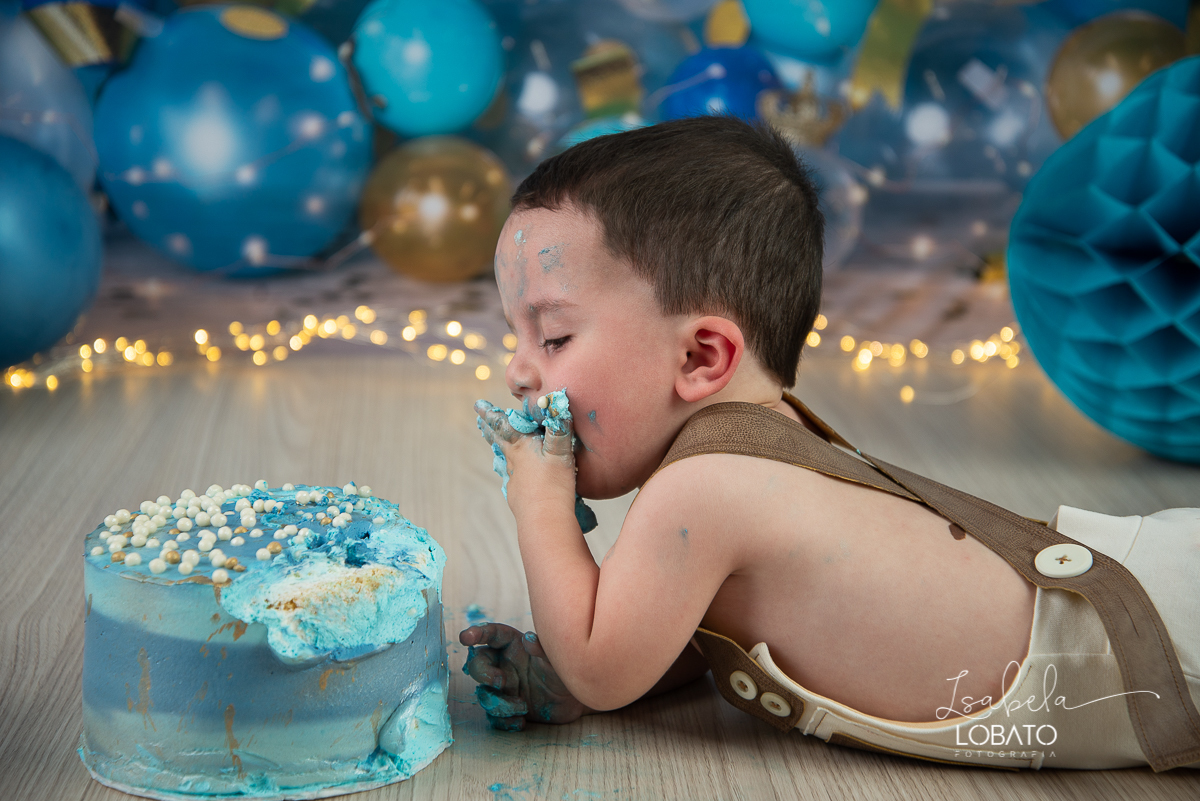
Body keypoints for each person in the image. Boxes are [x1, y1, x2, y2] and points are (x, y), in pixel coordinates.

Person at [463, 115, 1200, 770]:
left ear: (700, 357)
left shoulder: (704, 487)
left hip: (1146, 640)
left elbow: (600, 668)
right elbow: (684, 639)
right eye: (516, 336)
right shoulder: (752, 451)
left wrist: (539, 505)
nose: (518, 372)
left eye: (553, 337)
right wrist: (564, 674)